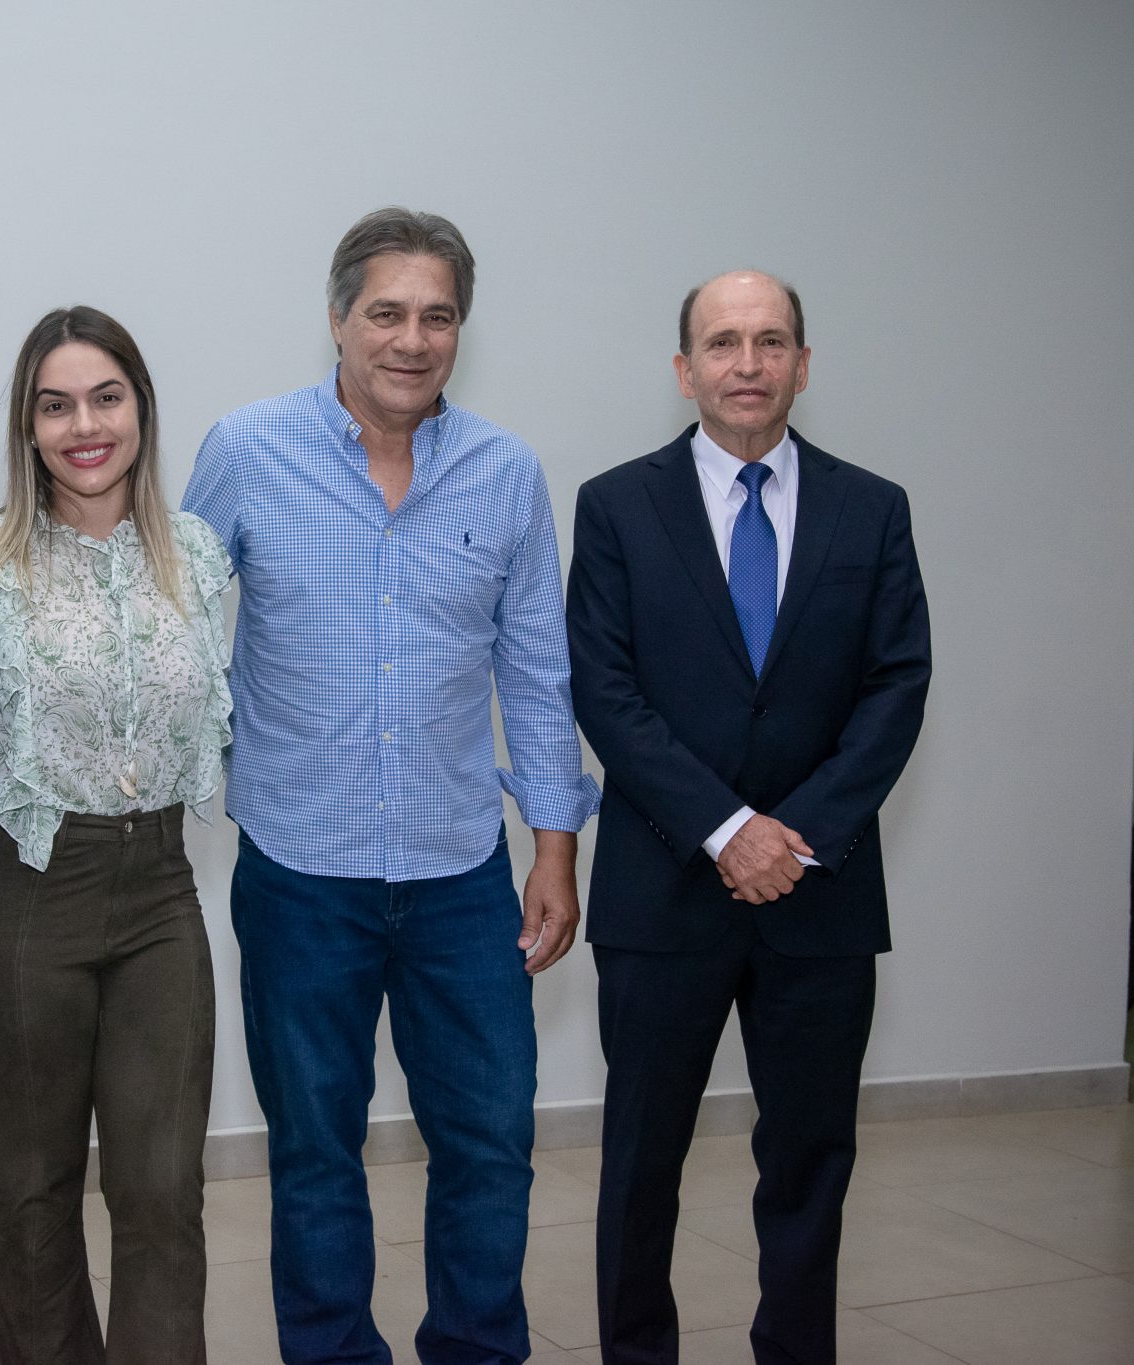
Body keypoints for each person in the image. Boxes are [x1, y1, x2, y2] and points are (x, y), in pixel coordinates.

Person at [182, 208, 599, 1364]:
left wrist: (553, 846)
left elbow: (535, 666)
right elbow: (172, 627)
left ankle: (475, 1348)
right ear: (336, 319)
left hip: (459, 871)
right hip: (298, 872)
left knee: (489, 1140)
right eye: (386, 313)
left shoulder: (505, 473)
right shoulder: (246, 450)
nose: (411, 340)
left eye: (436, 316)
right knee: (314, 1150)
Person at [566, 270, 930, 1365]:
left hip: (819, 896)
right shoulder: (616, 505)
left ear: (803, 366)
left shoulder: (872, 507)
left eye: (770, 341)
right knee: (641, 1166)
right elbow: (606, 692)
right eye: (722, 342)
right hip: (663, 891)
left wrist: (794, 835)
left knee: (811, 1163)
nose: (747, 363)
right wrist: (729, 829)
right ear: (684, 370)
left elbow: (896, 686)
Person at [0, 306, 233, 1365]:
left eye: (105, 398)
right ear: (27, 426)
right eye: (54, 406)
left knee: (163, 1190)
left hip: (159, 892)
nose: (83, 426)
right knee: (33, 1192)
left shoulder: (198, 555)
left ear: (141, 407)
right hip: (19, 895)